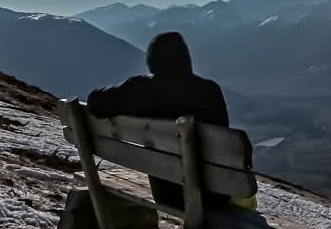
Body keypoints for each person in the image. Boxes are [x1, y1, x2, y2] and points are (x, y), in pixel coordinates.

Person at [87, 31, 231, 211]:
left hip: (166, 193)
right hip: (213, 195)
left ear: (152, 60)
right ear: (186, 58)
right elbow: (223, 141)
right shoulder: (209, 91)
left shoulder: (138, 89)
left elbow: (95, 102)